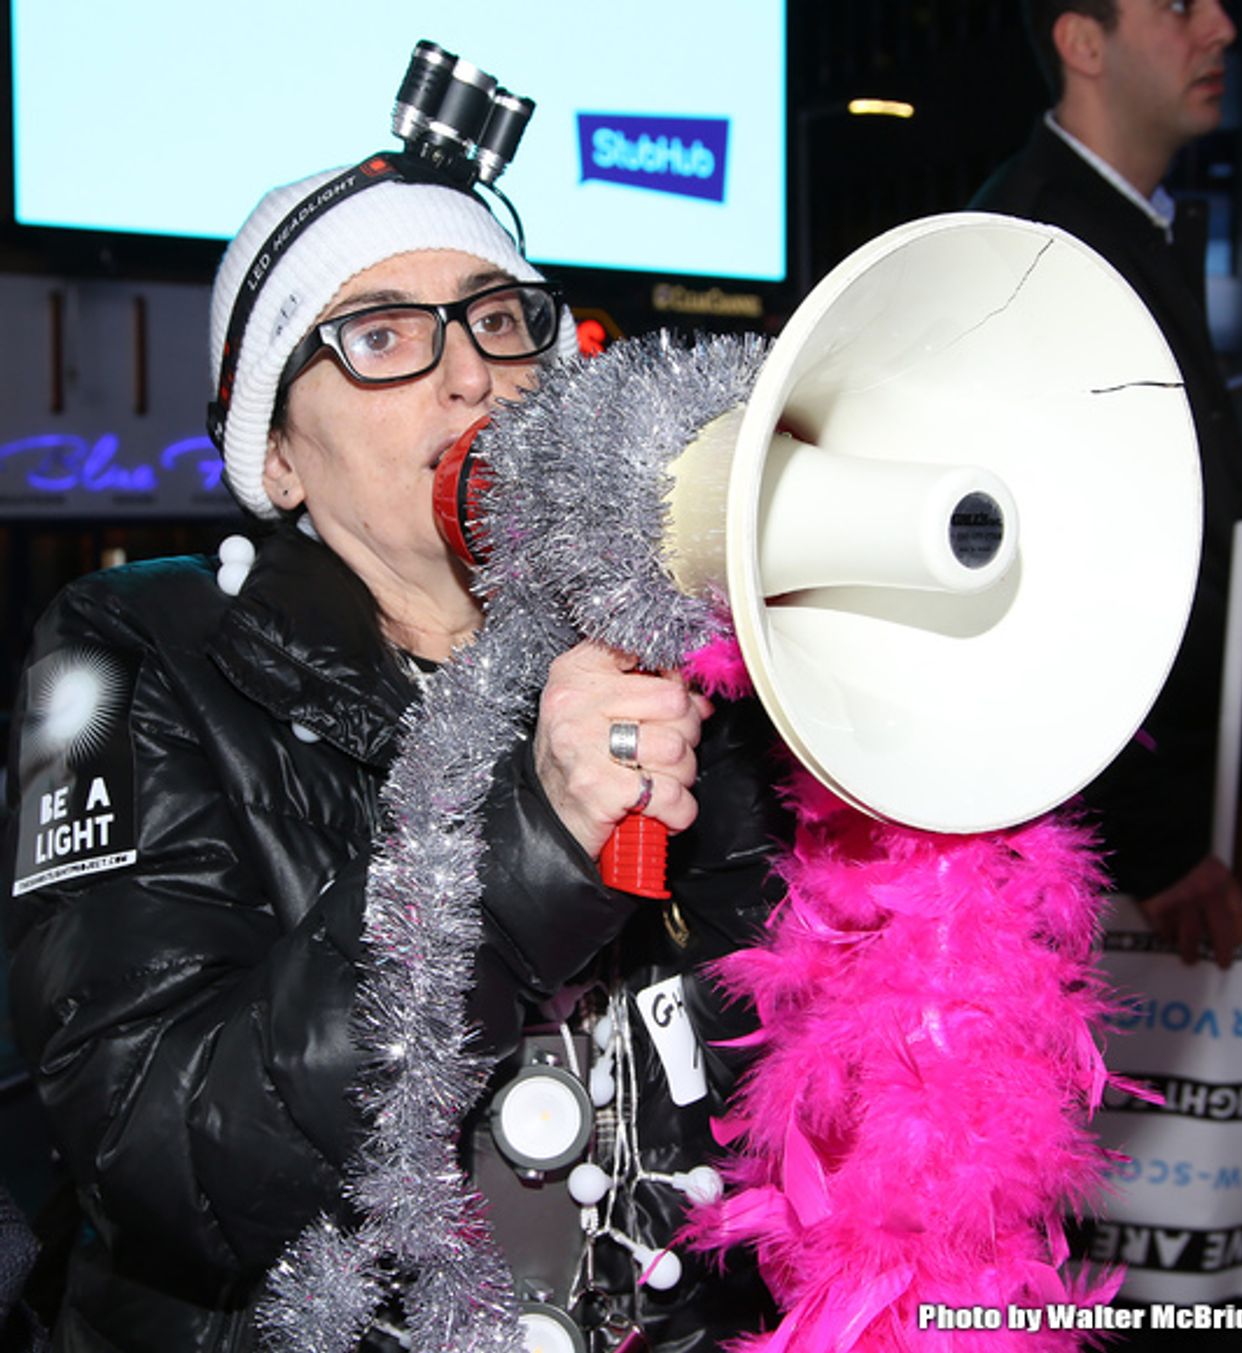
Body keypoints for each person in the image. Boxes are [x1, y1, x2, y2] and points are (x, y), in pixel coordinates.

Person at [1, 152, 785, 1351]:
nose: (471, 371)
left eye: (498, 316)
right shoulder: (129, 654)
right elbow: (159, 1158)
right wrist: (523, 843)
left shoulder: (672, 648)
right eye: (379, 335)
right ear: (274, 456)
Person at [971, 0, 1242, 967]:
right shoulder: (1047, 249)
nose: (1223, 31)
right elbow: (1063, 581)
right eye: (1177, 8)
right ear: (1084, 45)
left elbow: (1175, 498)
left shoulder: (1116, 228)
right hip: (1086, 856)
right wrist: (1157, 846)